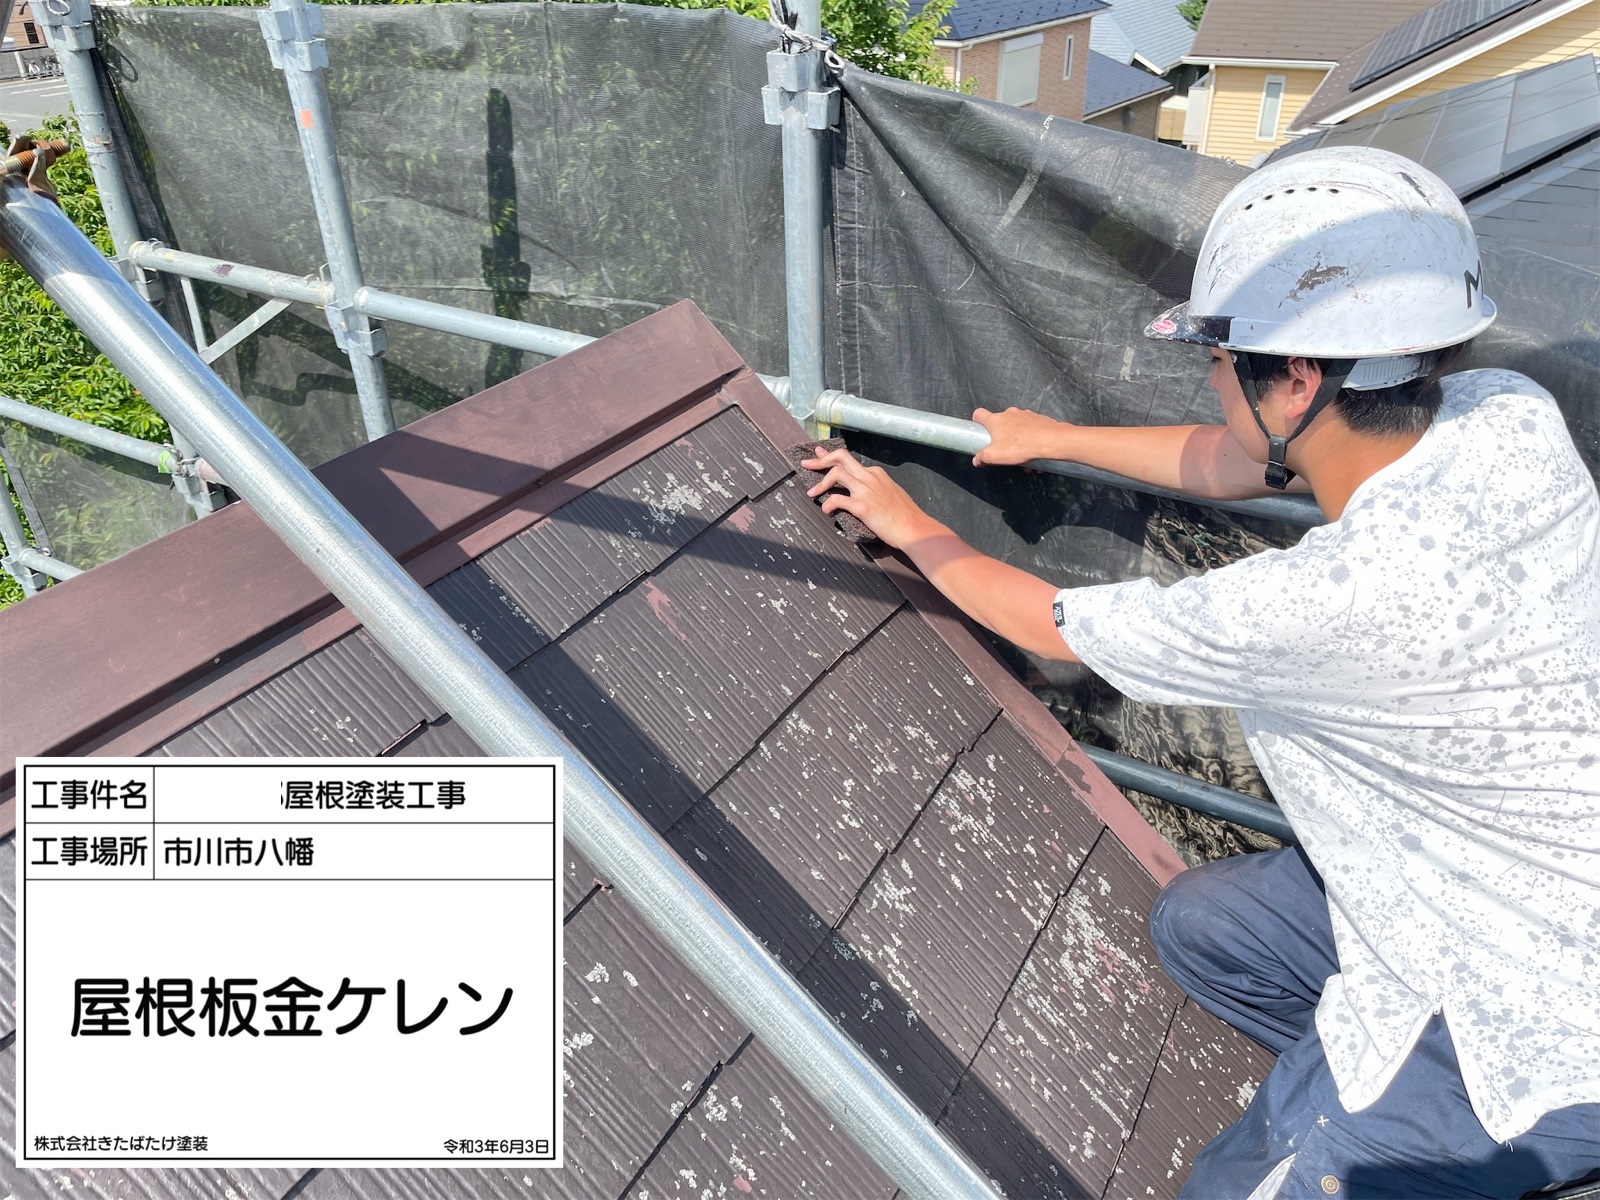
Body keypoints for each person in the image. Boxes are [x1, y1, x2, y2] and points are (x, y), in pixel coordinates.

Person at [802, 146, 1600, 1199]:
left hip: (1529, 1022)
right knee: (1205, 929)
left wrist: (908, 524)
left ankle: (1386, 1130)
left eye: (1219, 356)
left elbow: (1047, 624)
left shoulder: (1338, 596)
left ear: (1299, 379)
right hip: (1499, 868)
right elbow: (1241, 457)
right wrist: (1053, 438)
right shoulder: (1503, 414)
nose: (1211, 375)